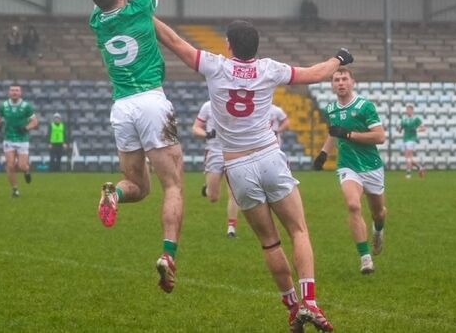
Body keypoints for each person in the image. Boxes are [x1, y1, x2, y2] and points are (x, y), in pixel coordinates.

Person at [154, 17, 350, 332]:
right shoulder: (270, 69)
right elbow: (314, 74)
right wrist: (339, 59)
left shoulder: (214, 65)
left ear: (228, 45)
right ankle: (310, 303)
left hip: (238, 167)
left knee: (270, 244)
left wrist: (143, 11)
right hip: (270, 157)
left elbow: (175, 42)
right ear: (256, 46)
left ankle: (291, 308)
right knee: (298, 232)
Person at [90, 0, 184, 294]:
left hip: (121, 108)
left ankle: (112, 191)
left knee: (138, 187)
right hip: (150, 101)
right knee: (173, 185)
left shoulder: (97, 21)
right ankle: (167, 254)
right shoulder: (141, 8)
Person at [318, 67, 387, 275]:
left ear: (352, 82)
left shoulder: (365, 107)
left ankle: (378, 230)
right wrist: (323, 153)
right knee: (353, 205)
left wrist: (349, 135)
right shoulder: (331, 108)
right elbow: (334, 133)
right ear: (332, 84)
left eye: (344, 79)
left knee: (378, 213)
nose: (340, 83)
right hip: (348, 166)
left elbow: (380, 137)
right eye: (336, 79)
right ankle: (366, 259)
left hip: (372, 166)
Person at [193, 101, 240, 237]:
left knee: (234, 192)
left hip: (233, 152)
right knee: (213, 197)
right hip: (214, 152)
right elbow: (195, 128)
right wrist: (207, 134)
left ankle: (231, 228)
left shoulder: (237, 104)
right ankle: (207, 187)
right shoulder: (208, 106)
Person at [0, 85, 38, 198]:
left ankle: (26, 171)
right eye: (12, 90)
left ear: (20, 93)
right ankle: (15, 190)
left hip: (22, 139)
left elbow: (35, 121)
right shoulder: (4, 105)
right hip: (9, 139)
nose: (14, 92)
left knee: (22, 166)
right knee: (10, 165)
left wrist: (26, 128)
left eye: (17, 90)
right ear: (9, 92)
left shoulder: (26, 106)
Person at [397, 104, 426, 179]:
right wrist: (399, 128)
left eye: (409, 110)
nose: (408, 111)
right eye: (407, 110)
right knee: (408, 158)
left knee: (408, 156)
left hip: (412, 139)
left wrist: (416, 130)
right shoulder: (404, 119)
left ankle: (408, 173)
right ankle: (420, 167)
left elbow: (423, 128)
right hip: (405, 139)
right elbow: (400, 130)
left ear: (412, 111)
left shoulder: (416, 119)